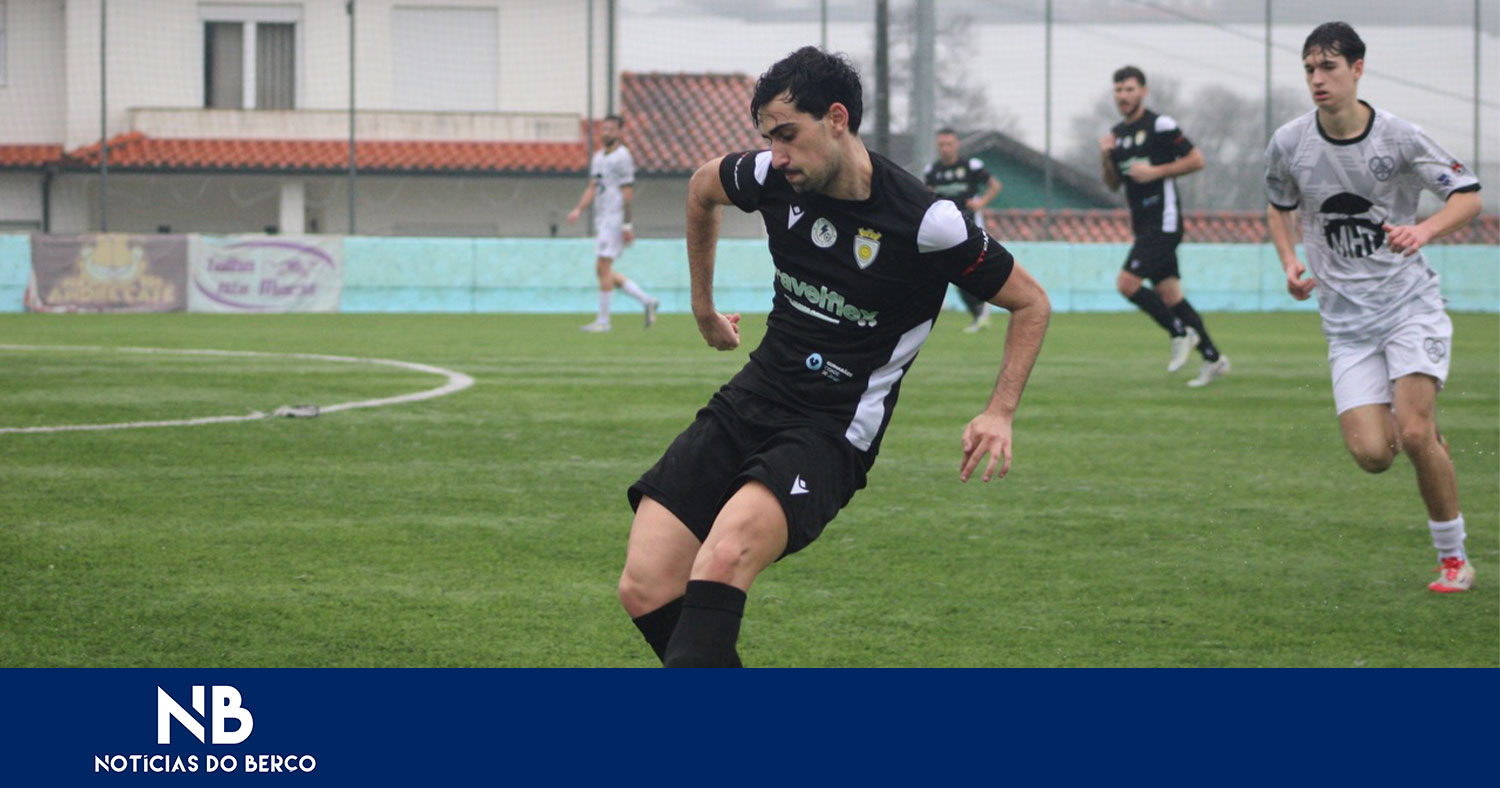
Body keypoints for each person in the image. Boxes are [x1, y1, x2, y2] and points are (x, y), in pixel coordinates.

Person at [616, 47, 1050, 667]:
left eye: (788, 135)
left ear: (838, 118)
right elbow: (700, 189)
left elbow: (1031, 302)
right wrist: (702, 307)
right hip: (753, 395)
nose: (777, 153)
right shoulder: (770, 176)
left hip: (831, 428)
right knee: (646, 584)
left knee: (724, 556)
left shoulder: (926, 221)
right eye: (767, 137)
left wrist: (999, 410)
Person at [1265, 22, 1482, 593]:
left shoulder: (1399, 137)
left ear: (1358, 69)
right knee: (1374, 455)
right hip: (1346, 324)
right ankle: (1429, 442)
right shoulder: (1290, 142)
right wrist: (1289, 259)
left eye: (1329, 67)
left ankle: (1454, 559)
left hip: (1410, 305)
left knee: (1412, 434)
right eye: (1310, 69)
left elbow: (1469, 194)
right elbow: (1277, 202)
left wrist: (1425, 229)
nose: (1317, 79)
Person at [1099, 66, 1229, 387]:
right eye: (1119, 90)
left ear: (1143, 91)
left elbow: (1197, 159)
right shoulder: (1116, 135)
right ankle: (1214, 358)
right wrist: (1106, 156)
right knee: (1170, 294)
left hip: (1165, 221)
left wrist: (1155, 172)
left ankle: (1179, 332)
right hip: (1142, 224)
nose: (1124, 96)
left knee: (1127, 284)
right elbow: (1113, 184)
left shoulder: (1161, 125)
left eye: (1130, 89)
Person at [566, 114, 659, 332]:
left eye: (610, 129)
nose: (606, 133)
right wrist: (579, 209)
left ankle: (604, 321)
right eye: (603, 129)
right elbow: (592, 187)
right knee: (604, 271)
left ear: (619, 132)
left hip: (615, 220)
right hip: (602, 218)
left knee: (602, 267)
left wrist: (627, 225)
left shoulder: (623, 157)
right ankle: (647, 301)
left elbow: (627, 193)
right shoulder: (598, 157)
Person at [925, 127, 1003, 333]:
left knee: (967, 269)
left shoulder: (971, 166)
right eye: (941, 144)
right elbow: (927, 194)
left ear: (956, 145)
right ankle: (979, 313)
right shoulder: (932, 170)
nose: (945, 148)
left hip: (969, 226)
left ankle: (982, 310)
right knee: (947, 270)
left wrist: (982, 202)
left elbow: (995, 185)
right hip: (942, 228)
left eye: (949, 144)